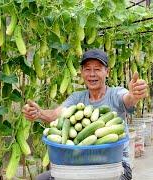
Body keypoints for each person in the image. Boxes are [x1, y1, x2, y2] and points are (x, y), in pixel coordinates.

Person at [22, 49, 148, 180]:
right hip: (80, 163)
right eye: (87, 69)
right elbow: (55, 114)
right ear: (81, 72)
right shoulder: (76, 98)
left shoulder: (116, 94)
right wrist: (39, 113)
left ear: (107, 72)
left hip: (114, 165)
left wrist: (134, 95)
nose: (92, 74)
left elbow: (128, 99)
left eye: (97, 69)